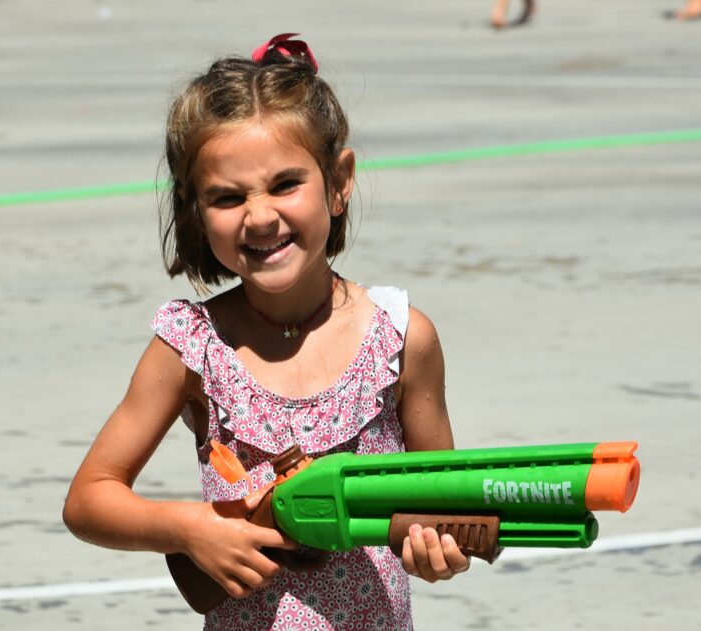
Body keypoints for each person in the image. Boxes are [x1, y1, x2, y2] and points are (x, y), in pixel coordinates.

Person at [63, 33, 467, 630]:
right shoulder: (193, 346)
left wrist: (439, 549)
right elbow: (89, 498)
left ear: (339, 182)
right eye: (227, 197)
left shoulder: (401, 338)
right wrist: (190, 529)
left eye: (285, 185)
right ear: (195, 209)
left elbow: (447, 502)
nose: (258, 216)